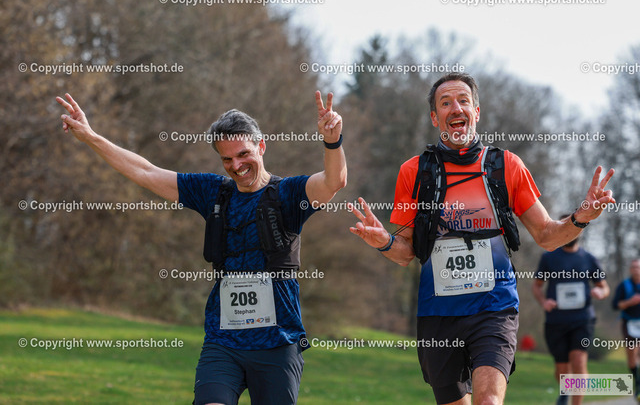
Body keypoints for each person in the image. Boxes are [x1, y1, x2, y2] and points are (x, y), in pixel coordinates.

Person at [56, 91, 347, 405]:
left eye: (243, 154)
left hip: (277, 343)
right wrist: (91, 137)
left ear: (261, 146)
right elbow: (146, 172)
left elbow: (334, 182)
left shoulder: (288, 194)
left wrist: (332, 142)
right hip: (224, 341)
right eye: (227, 159)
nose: (237, 165)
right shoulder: (213, 192)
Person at [348, 72, 615, 405]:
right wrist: (384, 242)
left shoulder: (506, 166)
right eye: (445, 103)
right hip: (438, 312)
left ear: (476, 112)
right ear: (435, 118)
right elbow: (405, 253)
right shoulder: (414, 172)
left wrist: (580, 218)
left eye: (463, 101)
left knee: (488, 401)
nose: (455, 108)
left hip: (494, 307)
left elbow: (547, 236)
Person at [532, 228, 609, 405]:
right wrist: (544, 302)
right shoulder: (548, 257)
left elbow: (604, 287)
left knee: (579, 361)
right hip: (556, 321)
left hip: (582, 319)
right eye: (565, 229)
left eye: (573, 230)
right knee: (562, 368)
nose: (569, 234)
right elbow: (537, 286)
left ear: (579, 233)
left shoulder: (589, 258)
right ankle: (565, 391)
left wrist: (600, 292)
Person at [612, 259, 640, 399]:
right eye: (633, 267)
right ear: (630, 269)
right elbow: (615, 305)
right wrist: (630, 302)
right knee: (631, 356)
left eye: (638, 267)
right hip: (629, 323)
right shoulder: (624, 285)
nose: (636, 270)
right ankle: (637, 381)